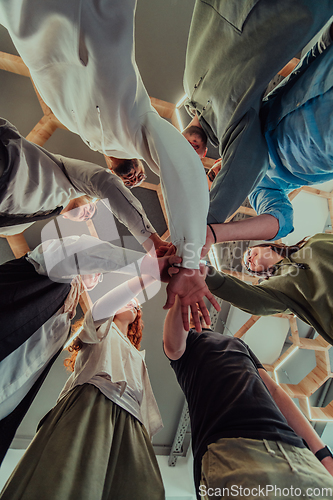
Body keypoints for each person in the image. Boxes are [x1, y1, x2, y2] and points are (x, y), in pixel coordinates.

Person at [0, 0, 214, 328]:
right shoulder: (121, 128)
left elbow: (105, 183)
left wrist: (153, 243)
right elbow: (180, 166)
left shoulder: (80, 146)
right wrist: (184, 256)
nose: (90, 208)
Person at [0, 233, 179, 464]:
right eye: (99, 270)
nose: (99, 276)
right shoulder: (48, 269)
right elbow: (83, 254)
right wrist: (152, 268)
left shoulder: (64, 321)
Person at [0, 271, 167, 500]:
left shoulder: (138, 356)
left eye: (136, 305)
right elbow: (106, 305)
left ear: (137, 316)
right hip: (93, 402)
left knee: (142, 487)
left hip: (131, 418)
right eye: (128, 299)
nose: (131, 302)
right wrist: (148, 275)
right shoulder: (98, 327)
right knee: (70, 474)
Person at [182, 0, 333, 234]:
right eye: (217, 182)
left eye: (211, 173)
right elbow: (282, 222)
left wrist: (326, 40)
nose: (220, 173)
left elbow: (297, 74)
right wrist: (207, 233)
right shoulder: (261, 187)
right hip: (323, 141)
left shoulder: (245, 109)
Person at [163, 295, 333, 500]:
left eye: (196, 309)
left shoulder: (237, 343)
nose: (193, 311)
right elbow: (173, 346)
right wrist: (183, 295)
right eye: (187, 312)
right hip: (231, 448)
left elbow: (276, 392)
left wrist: (322, 453)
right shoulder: (185, 347)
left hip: (292, 447)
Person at [0, 118, 164, 251]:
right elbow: (104, 183)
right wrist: (151, 242)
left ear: (66, 218)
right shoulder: (69, 179)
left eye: (87, 217)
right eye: (92, 208)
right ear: (88, 197)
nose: (88, 213)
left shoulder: (20, 226)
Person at [204, 232, 333, 346]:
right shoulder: (275, 289)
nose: (248, 259)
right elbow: (251, 300)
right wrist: (206, 273)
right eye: (248, 266)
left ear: (266, 246)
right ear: (256, 274)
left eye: (249, 252)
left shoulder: (315, 241)